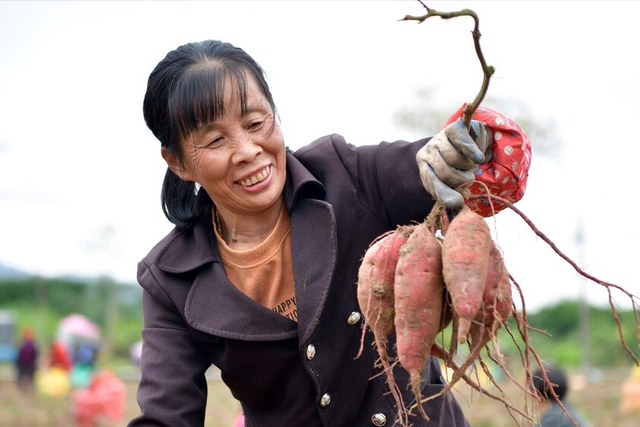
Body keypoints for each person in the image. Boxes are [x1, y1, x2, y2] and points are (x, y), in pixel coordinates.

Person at [129, 40, 531, 427]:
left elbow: (432, 165)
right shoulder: (170, 279)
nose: (248, 149)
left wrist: (463, 145)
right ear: (178, 161)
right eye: (216, 140)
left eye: (255, 123)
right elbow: (167, 415)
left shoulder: (346, 177)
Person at [15, 325, 38, 392]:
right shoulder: (26, 344)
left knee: (27, 377)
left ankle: (26, 388)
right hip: (24, 364)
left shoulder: (27, 344)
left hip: (28, 364)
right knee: (25, 377)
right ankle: (25, 388)